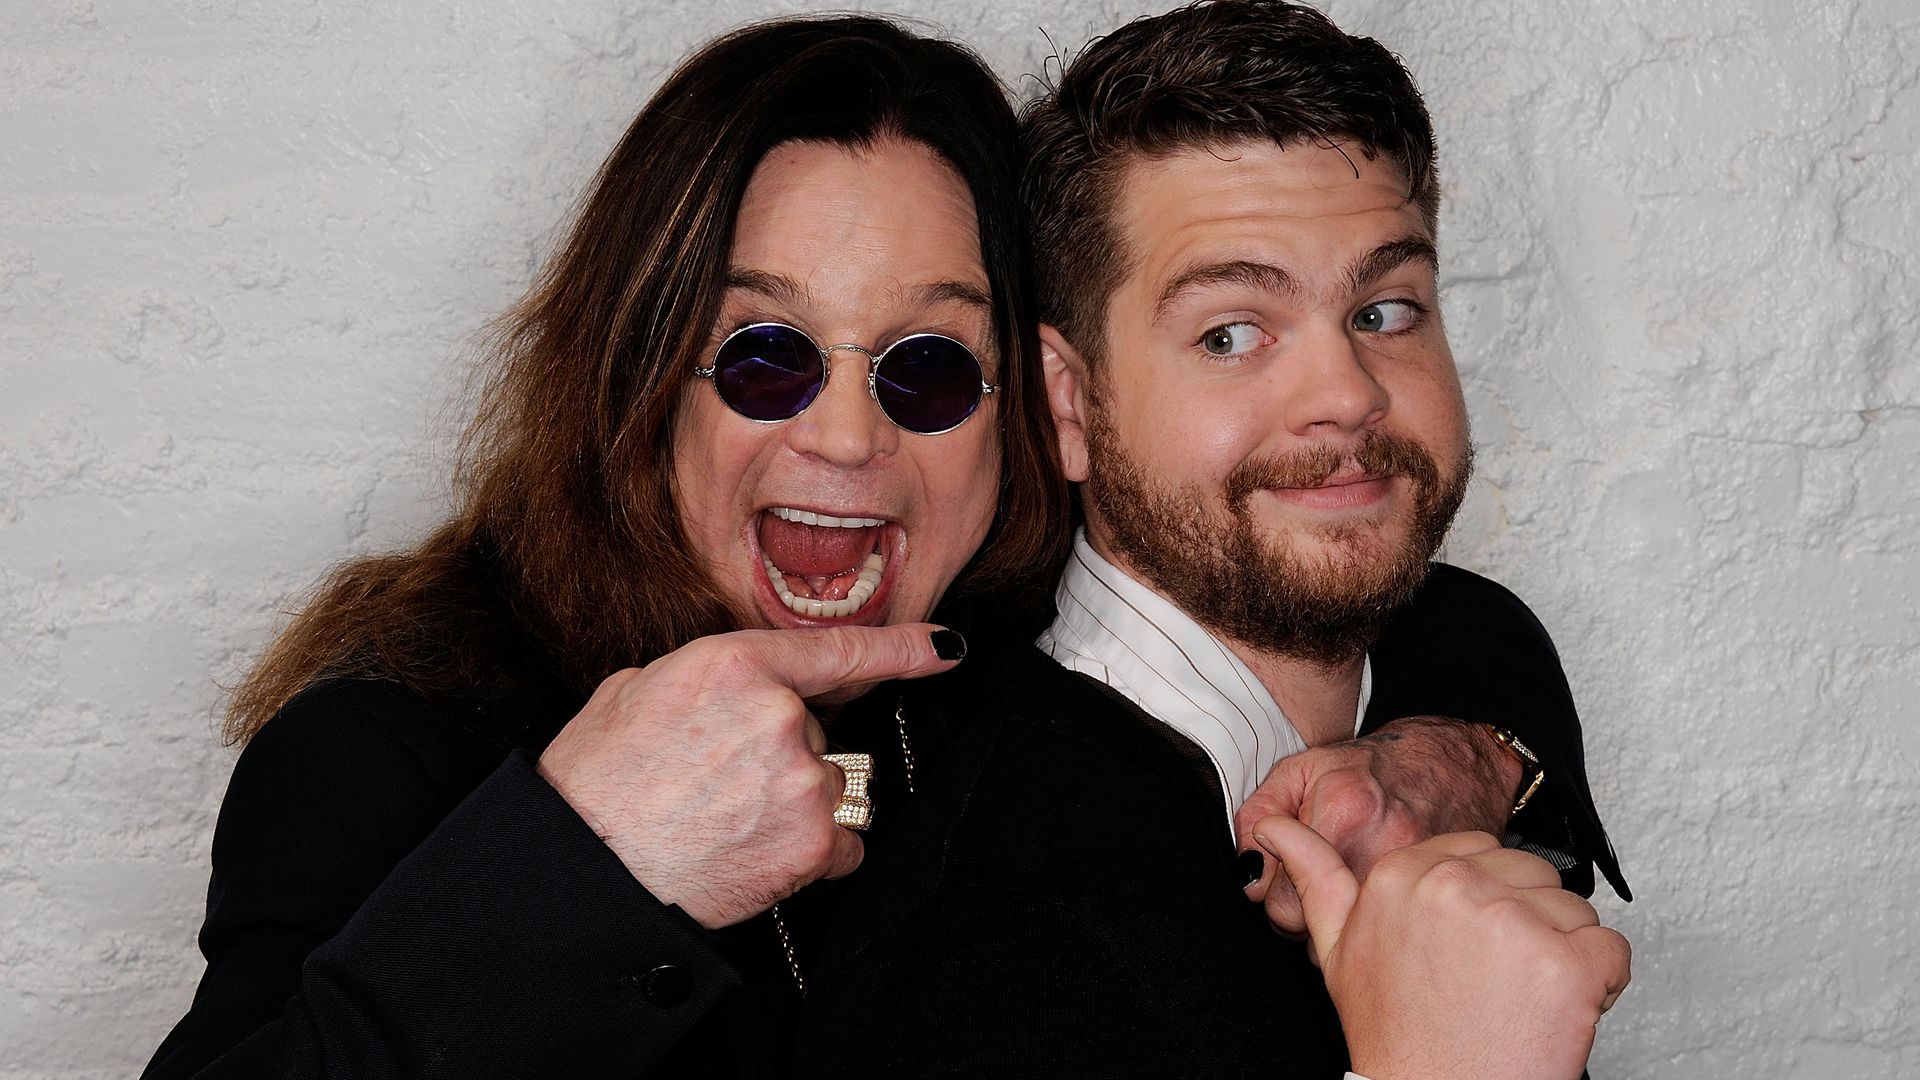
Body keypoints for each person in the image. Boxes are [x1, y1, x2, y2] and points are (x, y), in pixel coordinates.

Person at [143, 11, 1616, 1080]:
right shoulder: (389, 755)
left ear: (1030, 413)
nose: (848, 439)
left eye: (925, 365)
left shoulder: (1004, 667)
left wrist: (1452, 753)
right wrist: (585, 862)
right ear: (638, 379)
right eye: (769, 354)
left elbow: (1373, 575)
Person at [791, 3, 1629, 1077]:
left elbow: (1469, 626)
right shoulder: (995, 950)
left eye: (1385, 310)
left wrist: (1477, 755)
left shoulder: (1444, 666)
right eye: (1231, 333)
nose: (1348, 396)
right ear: (1071, 404)